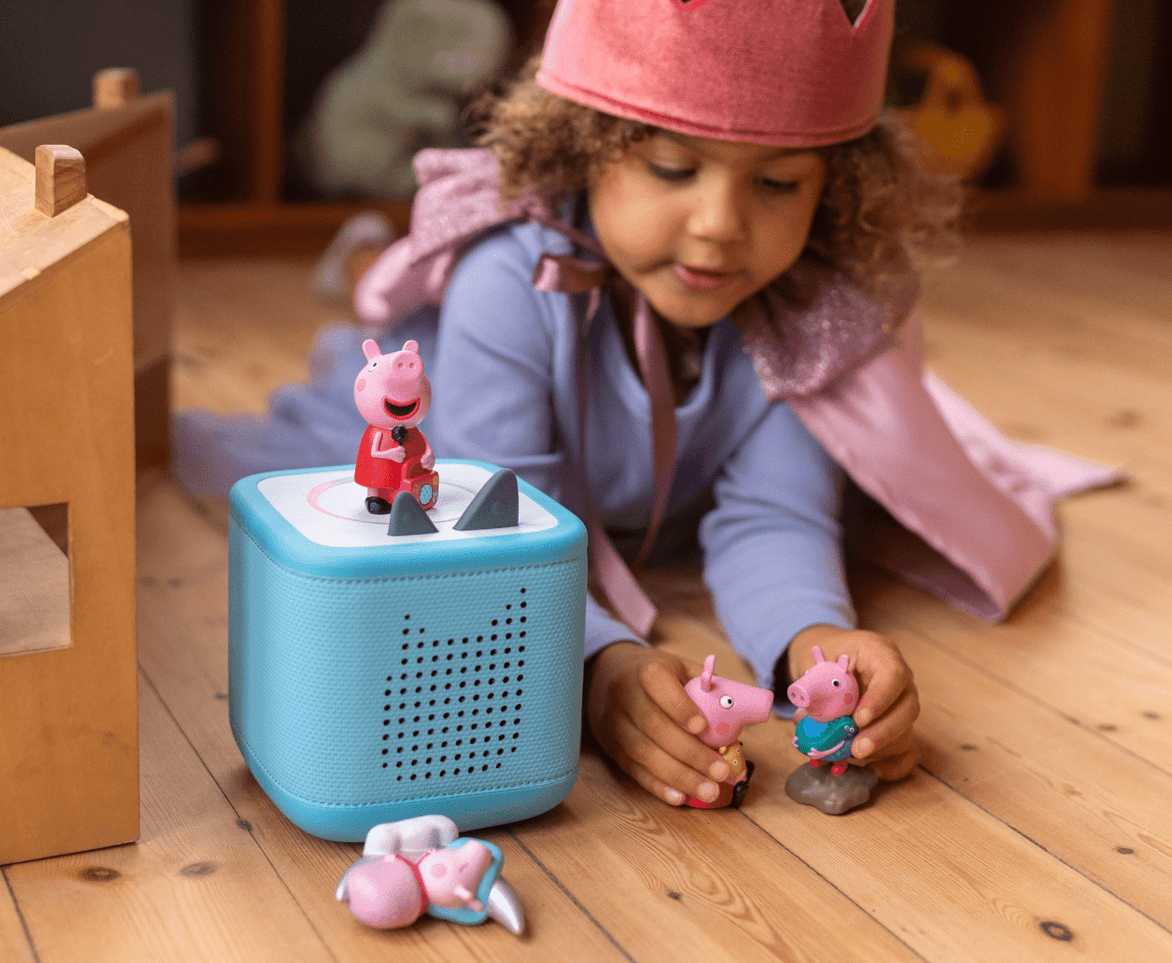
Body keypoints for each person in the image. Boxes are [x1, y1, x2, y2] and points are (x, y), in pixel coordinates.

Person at [177, 0, 1114, 809]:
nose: (720, 225)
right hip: (475, 429)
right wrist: (597, 663)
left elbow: (774, 517)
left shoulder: (803, 313)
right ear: (579, 148)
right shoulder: (512, 284)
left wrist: (817, 645)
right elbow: (499, 526)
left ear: (834, 185)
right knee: (383, 377)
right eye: (671, 168)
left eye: (778, 182)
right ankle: (356, 256)